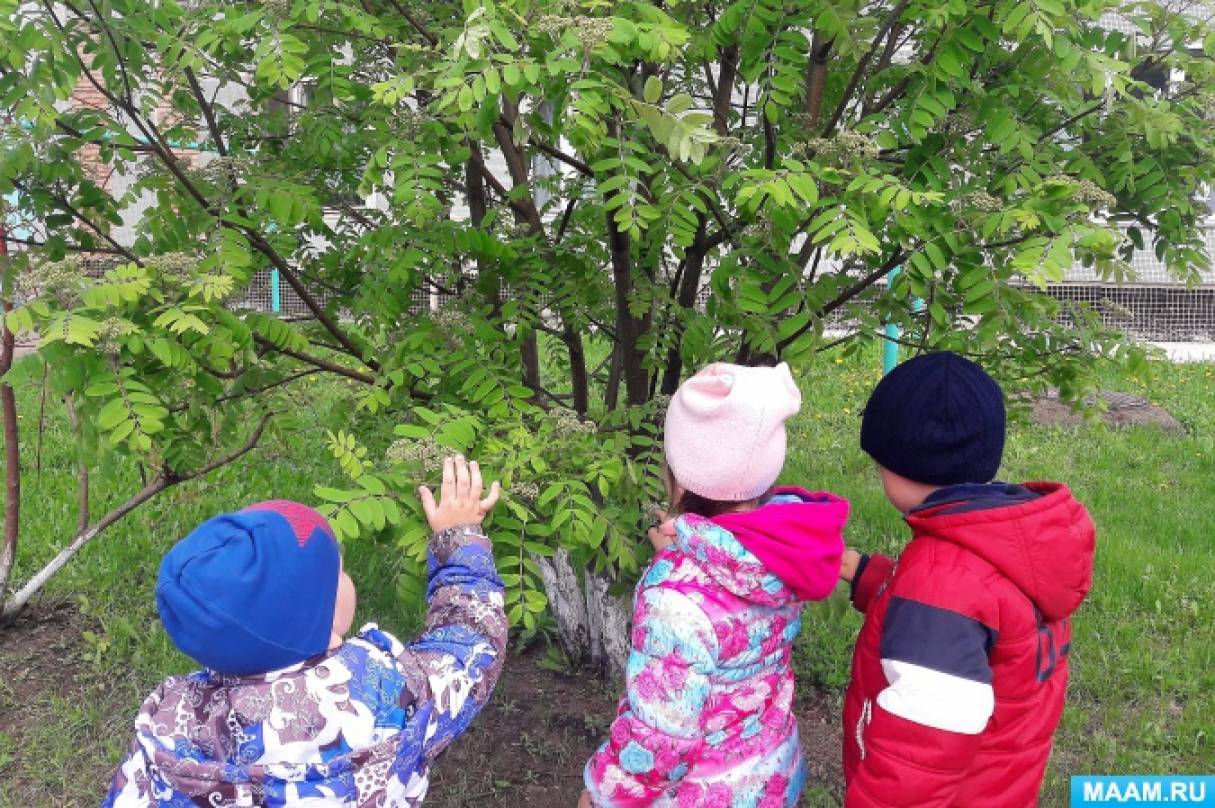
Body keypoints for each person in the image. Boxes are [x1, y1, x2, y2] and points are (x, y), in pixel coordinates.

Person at [103, 455, 505, 807]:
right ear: (320, 614)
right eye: (339, 572)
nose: (346, 576)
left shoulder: (171, 731)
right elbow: (470, 646)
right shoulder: (386, 695)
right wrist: (458, 537)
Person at [579, 363, 850, 808]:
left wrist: (603, 795)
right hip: (770, 779)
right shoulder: (784, 549)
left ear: (677, 472)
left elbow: (660, 739)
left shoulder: (674, 597)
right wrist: (684, 549)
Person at [840, 351, 1096, 807]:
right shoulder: (1002, 539)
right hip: (997, 787)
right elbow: (979, 623)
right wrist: (863, 574)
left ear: (898, 467)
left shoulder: (940, 582)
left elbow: (918, 756)